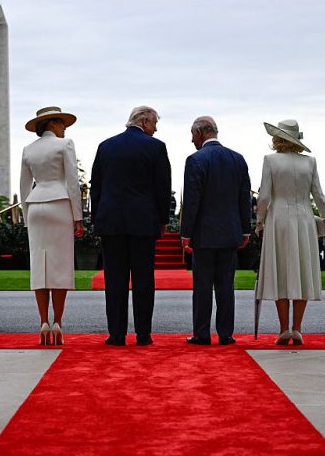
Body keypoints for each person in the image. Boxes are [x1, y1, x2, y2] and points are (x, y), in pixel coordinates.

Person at [90, 106, 172, 346]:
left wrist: (98, 218)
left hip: (111, 221)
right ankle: (143, 334)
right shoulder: (155, 147)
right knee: (143, 279)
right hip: (143, 221)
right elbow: (162, 187)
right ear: (145, 121)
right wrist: (163, 219)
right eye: (155, 123)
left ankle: (116, 334)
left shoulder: (106, 146)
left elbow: (97, 187)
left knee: (114, 279)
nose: (156, 128)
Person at [255, 120, 325, 345]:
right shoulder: (310, 162)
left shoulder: (270, 161)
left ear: (277, 138)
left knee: (281, 271)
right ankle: (297, 328)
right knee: (301, 271)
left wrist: (259, 221)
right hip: (304, 219)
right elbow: (319, 195)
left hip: (278, 219)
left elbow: (265, 197)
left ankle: (283, 329)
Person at [181, 116, 251, 345]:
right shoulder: (238, 159)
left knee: (202, 286)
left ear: (200, 132)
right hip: (230, 232)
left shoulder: (195, 160)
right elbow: (244, 199)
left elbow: (192, 201)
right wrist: (245, 230)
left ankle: (201, 333)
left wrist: (186, 234)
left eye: (192, 135)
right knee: (225, 286)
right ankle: (225, 334)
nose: (192, 140)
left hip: (204, 234)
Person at [20, 106, 84, 345]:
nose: (65, 127)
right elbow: (72, 183)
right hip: (59, 205)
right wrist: (78, 217)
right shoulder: (64, 144)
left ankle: (43, 322)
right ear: (52, 124)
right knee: (60, 265)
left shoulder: (28, 150)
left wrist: (27, 218)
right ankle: (57, 322)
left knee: (39, 266)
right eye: (61, 123)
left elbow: (24, 187)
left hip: (35, 207)